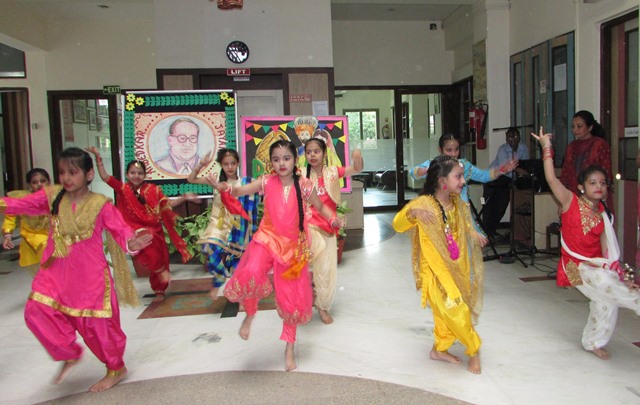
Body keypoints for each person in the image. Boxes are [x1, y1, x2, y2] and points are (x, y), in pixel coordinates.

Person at [0, 147, 153, 392]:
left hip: (90, 276)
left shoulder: (100, 204)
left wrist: (132, 242)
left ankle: (116, 368)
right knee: (36, 310)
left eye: (73, 172)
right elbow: (20, 204)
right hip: (56, 271)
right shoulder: (52, 196)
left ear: (89, 174)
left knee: (97, 328)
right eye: (62, 173)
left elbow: (121, 230)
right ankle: (68, 351)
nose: (66, 178)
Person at [214, 140, 342, 371]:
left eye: (286, 158)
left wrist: (333, 219)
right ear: (270, 162)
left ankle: (289, 349)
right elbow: (240, 190)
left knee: (290, 300)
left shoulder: (304, 184)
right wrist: (228, 188)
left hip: (294, 247)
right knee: (251, 271)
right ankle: (250, 314)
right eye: (276, 159)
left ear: (295, 160)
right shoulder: (266, 181)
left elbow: (320, 208)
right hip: (267, 238)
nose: (281, 163)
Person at [532, 127, 640, 360]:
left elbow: (607, 254)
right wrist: (546, 148)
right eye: (592, 182)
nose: (598, 186)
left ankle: (593, 342)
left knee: (605, 300)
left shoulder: (604, 215)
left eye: (602, 182)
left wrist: (619, 274)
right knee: (609, 288)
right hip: (574, 266)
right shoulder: (570, 200)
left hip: (595, 267)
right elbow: (551, 178)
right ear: (581, 187)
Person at [393, 155, 487, 374]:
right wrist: (411, 213)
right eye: (458, 176)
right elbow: (397, 224)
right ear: (442, 180)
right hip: (435, 272)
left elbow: (464, 225)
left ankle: (439, 349)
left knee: (445, 314)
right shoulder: (423, 204)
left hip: (456, 266)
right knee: (455, 308)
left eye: (462, 176)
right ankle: (473, 350)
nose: (463, 181)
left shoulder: (457, 202)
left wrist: (475, 233)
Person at [87, 147, 196, 302]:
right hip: (136, 232)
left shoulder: (153, 190)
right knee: (152, 255)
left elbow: (167, 204)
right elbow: (105, 178)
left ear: (145, 175)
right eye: (132, 173)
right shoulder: (123, 189)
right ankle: (160, 273)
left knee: (161, 258)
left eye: (139, 173)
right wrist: (98, 160)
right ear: (127, 174)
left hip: (156, 230)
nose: (136, 176)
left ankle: (159, 289)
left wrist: (184, 197)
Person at [303, 138, 363, 324]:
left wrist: (357, 156)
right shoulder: (301, 177)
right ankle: (300, 302)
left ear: (324, 153)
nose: (312, 155)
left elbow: (357, 168)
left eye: (316, 151)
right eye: (309, 152)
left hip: (329, 228)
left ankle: (322, 307)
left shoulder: (332, 173)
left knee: (326, 271)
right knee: (301, 267)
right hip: (309, 226)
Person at [187, 148, 259, 301]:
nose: (230, 167)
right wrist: (201, 164)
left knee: (238, 265)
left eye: (233, 163)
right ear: (221, 165)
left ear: (238, 163)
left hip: (239, 228)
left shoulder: (246, 183)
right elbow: (191, 179)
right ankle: (218, 280)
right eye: (226, 164)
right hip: (219, 226)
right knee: (211, 248)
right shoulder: (216, 182)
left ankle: (242, 297)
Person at [409, 133, 517, 235]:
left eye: (456, 149)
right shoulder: (435, 165)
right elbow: (413, 172)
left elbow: (484, 176)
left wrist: (502, 170)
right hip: (439, 216)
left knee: (466, 251)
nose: (453, 154)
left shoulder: (464, 166)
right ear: (440, 150)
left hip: (462, 218)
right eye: (449, 150)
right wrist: (422, 171)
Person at [2, 168, 51, 277]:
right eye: (35, 182)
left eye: (43, 181)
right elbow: (10, 215)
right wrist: (8, 235)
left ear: (49, 182)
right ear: (29, 185)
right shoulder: (22, 199)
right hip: (31, 241)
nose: (39, 184)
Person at [482, 127, 530, 238]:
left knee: (502, 205)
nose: (513, 139)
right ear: (506, 138)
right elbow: (505, 168)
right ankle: (487, 233)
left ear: (519, 137)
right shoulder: (502, 149)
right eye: (510, 137)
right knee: (489, 206)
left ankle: (493, 231)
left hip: (508, 180)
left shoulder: (523, 148)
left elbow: (525, 165)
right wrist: (517, 170)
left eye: (515, 136)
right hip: (494, 178)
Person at [560, 110, 613, 209]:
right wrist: (562, 201)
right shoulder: (571, 147)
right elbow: (565, 175)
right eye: (573, 126)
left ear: (590, 127)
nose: (575, 130)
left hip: (594, 195)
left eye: (579, 126)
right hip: (573, 195)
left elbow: (606, 174)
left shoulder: (600, 145)